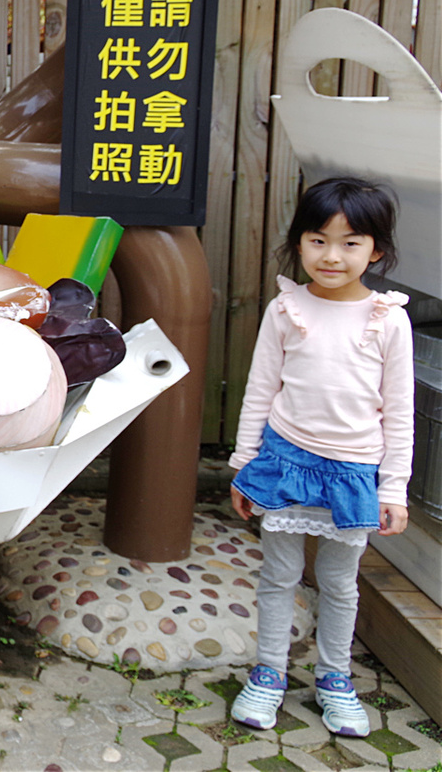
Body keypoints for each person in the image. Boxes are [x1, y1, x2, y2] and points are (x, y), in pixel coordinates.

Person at [227, 176, 413, 738]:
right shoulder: (287, 309)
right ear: (299, 242)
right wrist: (243, 464)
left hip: (353, 473)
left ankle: (335, 679)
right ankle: (268, 673)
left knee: (339, 582)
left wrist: (393, 489)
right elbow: (261, 388)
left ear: (375, 250)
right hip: (283, 462)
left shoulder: (389, 318)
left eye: (350, 242)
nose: (332, 255)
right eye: (318, 240)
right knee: (278, 575)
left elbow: (399, 411)